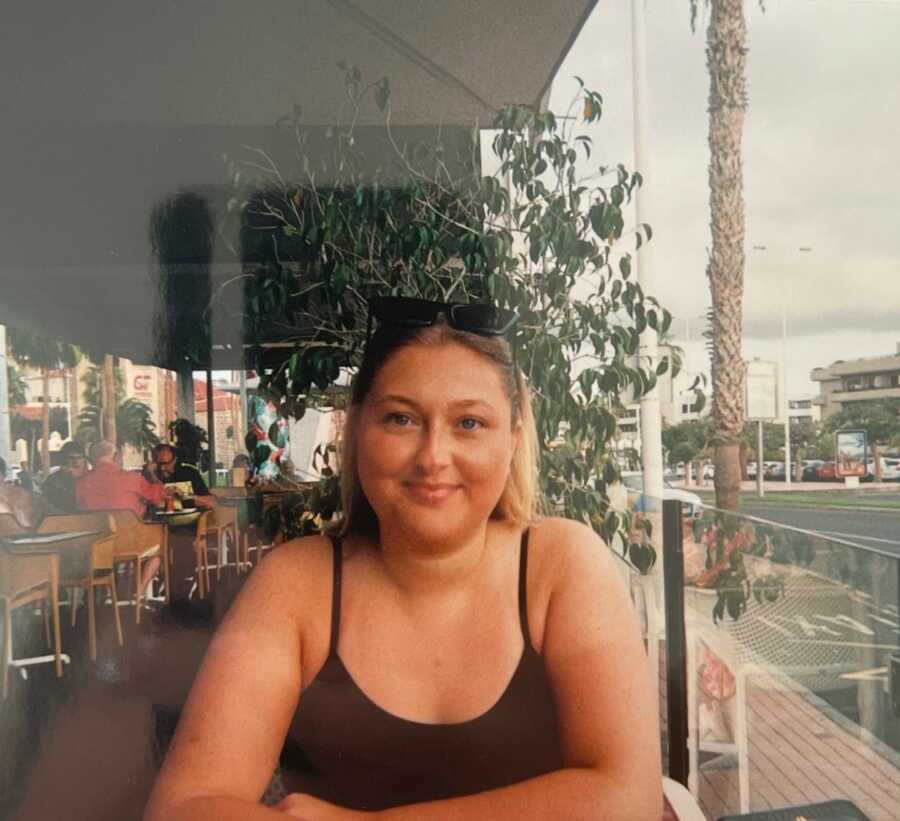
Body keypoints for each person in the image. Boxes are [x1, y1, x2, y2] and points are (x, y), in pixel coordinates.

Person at [145, 297, 662, 820]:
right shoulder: (298, 583)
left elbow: (627, 799)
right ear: (358, 428)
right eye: (401, 418)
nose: (433, 456)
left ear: (514, 438)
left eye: (470, 423)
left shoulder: (561, 565)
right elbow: (183, 807)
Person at [77, 440, 167, 590]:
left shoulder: (81, 483)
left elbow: (80, 511)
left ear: (91, 459)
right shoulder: (131, 478)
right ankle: (140, 590)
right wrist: (152, 475)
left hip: (97, 547)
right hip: (132, 542)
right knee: (159, 549)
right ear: (115, 456)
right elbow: (158, 497)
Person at [148, 443, 215, 510]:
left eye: (166, 464)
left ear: (175, 460)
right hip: (158, 519)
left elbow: (211, 501)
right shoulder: (150, 475)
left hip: (189, 518)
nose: (162, 468)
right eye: (158, 464)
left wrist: (184, 495)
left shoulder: (189, 473)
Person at [41, 441, 89, 513]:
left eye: (79, 457)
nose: (76, 461)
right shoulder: (53, 480)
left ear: (84, 460)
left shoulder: (91, 477)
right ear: (64, 460)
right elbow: (46, 504)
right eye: (71, 458)